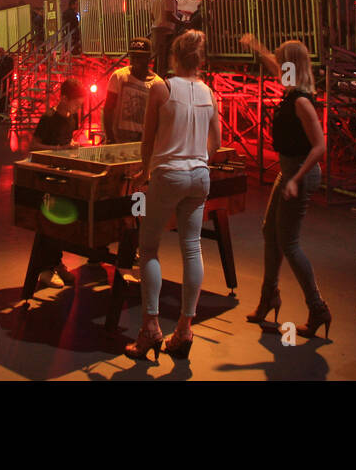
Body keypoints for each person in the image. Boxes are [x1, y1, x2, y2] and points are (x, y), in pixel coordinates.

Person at [125, 30, 220, 362]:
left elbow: (147, 140)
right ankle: (184, 329)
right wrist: (196, 156)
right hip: (200, 176)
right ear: (200, 60)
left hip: (169, 174)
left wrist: (143, 172)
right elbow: (216, 144)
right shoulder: (210, 92)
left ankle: (150, 327)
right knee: (192, 248)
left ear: (173, 58)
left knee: (149, 248)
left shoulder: (161, 88)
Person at [240, 34, 331, 338]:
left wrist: (295, 179)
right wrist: (256, 46)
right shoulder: (292, 90)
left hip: (300, 174)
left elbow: (319, 147)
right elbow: (273, 62)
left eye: (281, 62)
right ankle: (269, 297)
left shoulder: (301, 101)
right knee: (270, 231)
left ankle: (318, 308)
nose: (276, 66)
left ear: (291, 65)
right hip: (290, 172)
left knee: (289, 244)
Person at [29, 79, 87, 288]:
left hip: (64, 175)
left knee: (61, 222)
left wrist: (71, 145)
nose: (78, 108)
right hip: (47, 177)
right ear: (63, 98)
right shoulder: (49, 118)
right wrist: (55, 151)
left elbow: (68, 139)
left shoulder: (73, 118)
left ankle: (56, 263)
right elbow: (33, 145)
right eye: (76, 104)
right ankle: (47, 268)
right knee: (49, 223)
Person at [104, 38, 161, 143]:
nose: (135, 60)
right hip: (119, 142)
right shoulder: (119, 76)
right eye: (133, 56)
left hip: (144, 143)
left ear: (148, 58)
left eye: (140, 57)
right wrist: (110, 138)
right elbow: (108, 109)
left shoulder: (158, 83)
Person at [149, 0, 179, 78]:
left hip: (155, 31)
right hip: (166, 32)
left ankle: (155, 78)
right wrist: (182, 23)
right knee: (164, 60)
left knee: (157, 58)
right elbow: (169, 16)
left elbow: (152, 16)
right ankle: (161, 81)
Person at [0, 47, 14, 116]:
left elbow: (10, 69)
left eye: (1, 52)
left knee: (5, 95)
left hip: (5, 80)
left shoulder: (9, 60)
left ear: (4, 52)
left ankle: (5, 108)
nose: (0, 53)